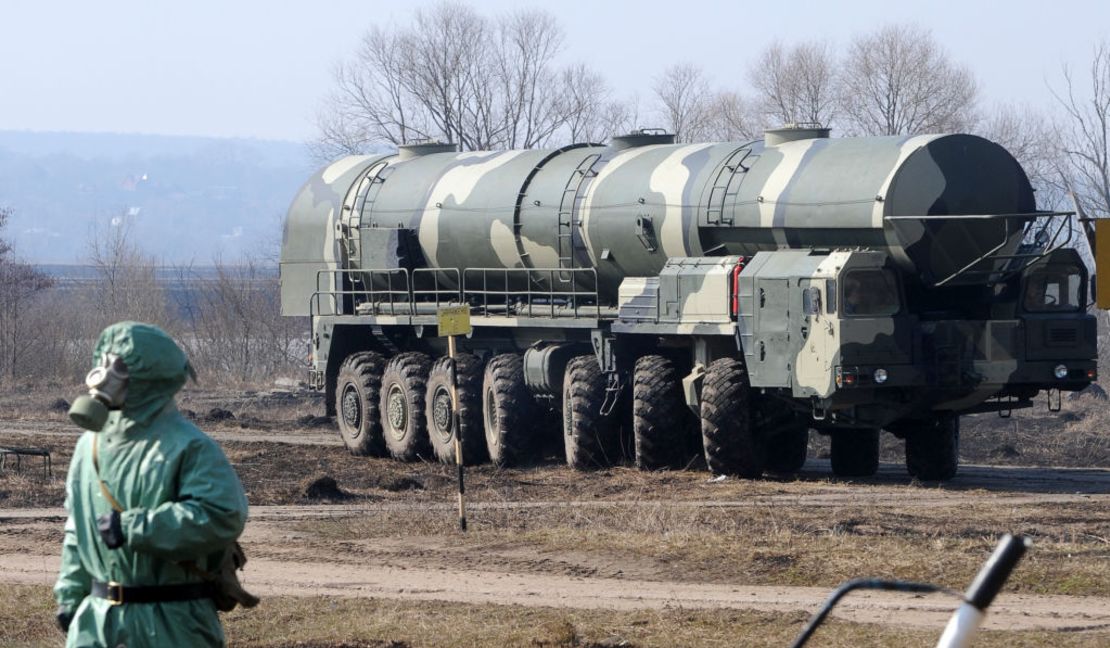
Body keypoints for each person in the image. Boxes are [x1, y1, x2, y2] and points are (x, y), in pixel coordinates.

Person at [54, 322, 249, 647]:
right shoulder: (89, 446)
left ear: (151, 377)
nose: (105, 375)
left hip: (172, 624)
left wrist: (134, 527)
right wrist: (70, 595)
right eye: (103, 362)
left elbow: (222, 514)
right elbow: (77, 528)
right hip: (98, 624)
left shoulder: (188, 447)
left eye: (119, 366)